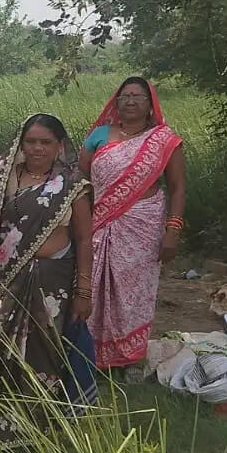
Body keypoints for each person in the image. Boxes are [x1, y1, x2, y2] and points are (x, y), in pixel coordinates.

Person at [0, 114, 97, 438]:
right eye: (31, 141)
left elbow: (85, 239)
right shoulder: (3, 181)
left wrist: (83, 291)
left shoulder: (72, 185)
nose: (38, 148)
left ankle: (33, 431)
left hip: (50, 283)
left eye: (45, 142)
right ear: (21, 144)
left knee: (42, 353)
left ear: (59, 146)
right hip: (3, 283)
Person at [80, 77, 186, 372]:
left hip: (144, 225)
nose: (130, 101)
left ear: (150, 105)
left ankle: (129, 358)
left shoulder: (164, 141)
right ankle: (90, 355)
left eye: (138, 96)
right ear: (116, 102)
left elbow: (177, 188)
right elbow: (81, 182)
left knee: (133, 290)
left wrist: (173, 230)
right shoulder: (99, 135)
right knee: (94, 285)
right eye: (124, 95)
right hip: (99, 223)